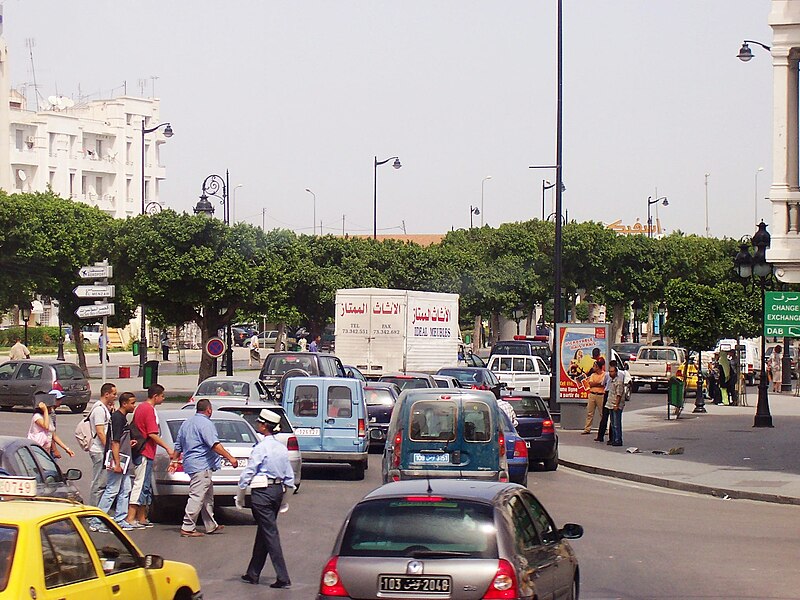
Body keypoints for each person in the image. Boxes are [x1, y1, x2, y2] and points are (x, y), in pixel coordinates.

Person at [239, 408, 295, 588]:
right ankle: (253, 573)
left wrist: (240, 491)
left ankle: (283, 576)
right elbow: (289, 476)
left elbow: (250, 470)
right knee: (264, 531)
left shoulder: (261, 447)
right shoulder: (281, 447)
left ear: (264, 427)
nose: (258, 426)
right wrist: (286, 498)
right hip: (278, 490)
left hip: (262, 492)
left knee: (270, 533)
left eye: (259, 424)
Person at [174, 398, 238, 537]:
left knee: (207, 497)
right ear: (209, 410)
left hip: (194, 463)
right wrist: (230, 458)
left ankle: (211, 525)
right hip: (201, 465)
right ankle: (187, 527)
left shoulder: (187, 423)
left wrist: (174, 459)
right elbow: (214, 444)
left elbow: (178, 444)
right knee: (197, 496)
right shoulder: (206, 424)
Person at [128, 384, 172, 528]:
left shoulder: (141, 408)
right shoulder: (149, 410)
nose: (163, 399)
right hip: (145, 451)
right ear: (155, 396)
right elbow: (152, 433)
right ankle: (132, 517)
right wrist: (167, 448)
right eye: (162, 396)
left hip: (143, 451)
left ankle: (142, 517)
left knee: (144, 484)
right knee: (141, 484)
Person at [96, 392, 140, 531]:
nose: (134, 406)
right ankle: (97, 521)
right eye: (132, 403)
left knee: (125, 489)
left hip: (125, 462)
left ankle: (120, 519)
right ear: (124, 404)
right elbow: (114, 442)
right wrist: (116, 463)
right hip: (118, 462)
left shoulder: (123, 418)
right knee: (112, 491)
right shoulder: (117, 418)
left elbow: (121, 439)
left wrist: (129, 442)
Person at [89, 383, 117, 506]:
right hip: (99, 450)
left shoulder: (104, 408)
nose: (115, 396)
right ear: (106, 394)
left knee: (103, 482)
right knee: (99, 483)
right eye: (114, 394)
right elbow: (100, 432)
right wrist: (109, 449)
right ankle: (94, 513)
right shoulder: (99, 410)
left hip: (102, 450)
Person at [27, 391, 74, 458]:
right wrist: (45, 410)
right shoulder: (37, 417)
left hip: (45, 451)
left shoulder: (48, 417)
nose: (51, 408)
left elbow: (54, 435)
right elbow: (45, 426)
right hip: (36, 452)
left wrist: (67, 449)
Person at [582, 361, 606, 435]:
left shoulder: (605, 375)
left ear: (598, 367)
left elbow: (604, 384)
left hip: (601, 395)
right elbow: (591, 384)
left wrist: (598, 384)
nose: (593, 368)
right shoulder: (592, 375)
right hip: (592, 394)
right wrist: (599, 383)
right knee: (590, 413)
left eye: (595, 366)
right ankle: (587, 429)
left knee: (602, 413)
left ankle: (604, 429)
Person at [606, 364, 626, 446]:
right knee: (613, 424)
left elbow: (619, 394)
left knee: (616, 424)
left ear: (616, 372)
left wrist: (616, 405)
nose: (610, 373)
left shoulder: (618, 381)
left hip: (615, 405)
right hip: (610, 404)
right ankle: (614, 439)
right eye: (610, 372)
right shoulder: (611, 380)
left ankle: (618, 440)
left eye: (612, 372)